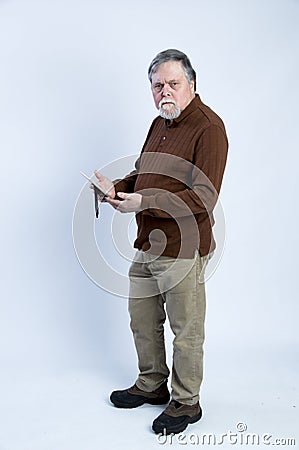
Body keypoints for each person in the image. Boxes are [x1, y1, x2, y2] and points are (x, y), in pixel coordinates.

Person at [93, 49, 228, 435]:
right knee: (142, 320)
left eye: (172, 83)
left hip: (183, 249)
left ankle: (186, 402)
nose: (164, 91)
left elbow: (204, 198)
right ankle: (152, 384)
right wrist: (115, 190)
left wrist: (143, 202)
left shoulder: (209, 128)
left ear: (192, 84)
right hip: (148, 243)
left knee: (186, 330)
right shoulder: (159, 123)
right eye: (157, 85)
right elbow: (143, 174)